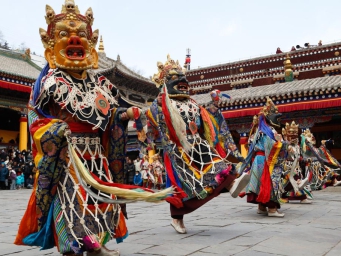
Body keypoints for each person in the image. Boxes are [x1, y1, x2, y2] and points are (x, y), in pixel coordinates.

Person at [14, 2, 172, 255]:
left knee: (101, 198)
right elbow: (35, 116)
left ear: (91, 42)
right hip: (69, 155)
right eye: (64, 35)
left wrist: (124, 114)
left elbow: (107, 118)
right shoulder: (50, 81)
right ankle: (72, 245)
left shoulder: (101, 84)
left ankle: (99, 242)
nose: (75, 40)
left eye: (82, 36)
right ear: (51, 43)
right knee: (72, 198)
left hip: (97, 154)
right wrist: (54, 129)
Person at [146, 55, 249, 234]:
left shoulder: (193, 104)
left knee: (219, 164)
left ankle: (231, 184)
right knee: (181, 185)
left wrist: (213, 111)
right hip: (176, 149)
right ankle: (177, 219)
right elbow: (153, 125)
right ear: (164, 82)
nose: (182, 81)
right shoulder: (161, 104)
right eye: (174, 78)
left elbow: (206, 127)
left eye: (183, 77)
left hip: (198, 145)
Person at [243, 97, 288, 217]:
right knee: (270, 182)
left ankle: (261, 207)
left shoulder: (259, 130)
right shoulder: (268, 131)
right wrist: (283, 144)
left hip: (258, 159)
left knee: (259, 183)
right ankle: (272, 209)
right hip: (266, 159)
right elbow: (271, 145)